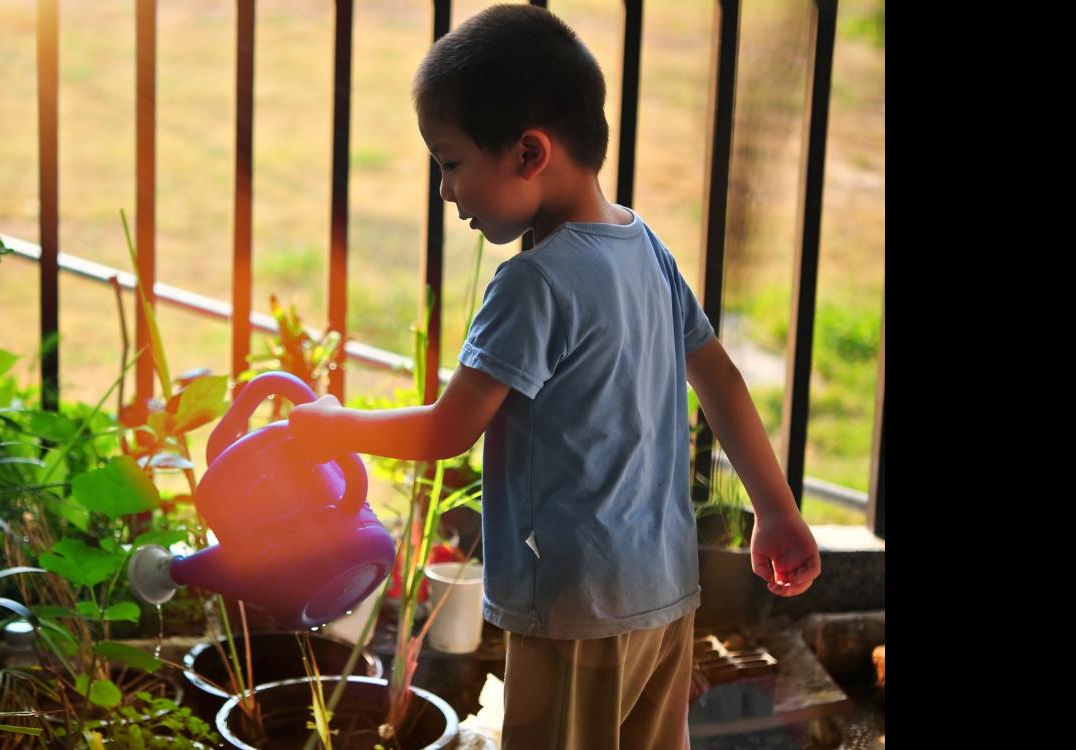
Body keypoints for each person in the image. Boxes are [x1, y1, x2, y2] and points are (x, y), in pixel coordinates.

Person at [288, 6, 821, 748]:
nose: (445, 191)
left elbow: (448, 430)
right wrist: (776, 509)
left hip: (576, 609)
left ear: (529, 152)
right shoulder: (645, 246)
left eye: (451, 163)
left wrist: (333, 428)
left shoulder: (533, 284)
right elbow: (722, 382)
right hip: (666, 594)